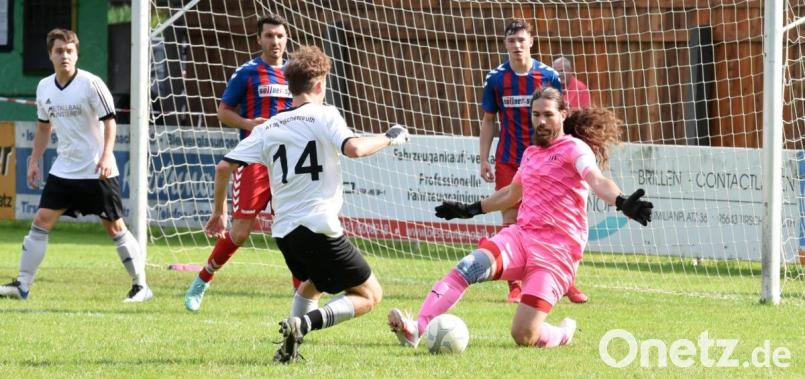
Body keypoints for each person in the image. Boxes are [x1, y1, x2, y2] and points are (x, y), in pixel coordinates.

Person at [388, 87, 652, 349]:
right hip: (521, 237)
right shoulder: (530, 153)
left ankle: (562, 333)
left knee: (523, 335)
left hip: (556, 252)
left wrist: (620, 201)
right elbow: (513, 193)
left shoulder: (575, 149)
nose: (541, 121)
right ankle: (416, 329)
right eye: (536, 115)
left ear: (563, 114)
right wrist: (471, 209)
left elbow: (596, 180)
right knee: (468, 267)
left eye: (548, 114)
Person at [204, 45, 409, 363]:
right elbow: (354, 149)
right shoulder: (324, 114)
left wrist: (219, 213)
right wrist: (389, 137)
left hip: (285, 234)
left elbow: (223, 168)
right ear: (319, 85)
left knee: (312, 287)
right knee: (369, 295)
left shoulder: (268, 126)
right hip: (318, 226)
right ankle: (303, 325)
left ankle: (288, 348)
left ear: (291, 86)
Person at [0, 29, 151, 302]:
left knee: (114, 227)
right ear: (50, 55)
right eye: (59, 51)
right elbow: (44, 128)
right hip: (64, 169)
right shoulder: (44, 87)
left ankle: (141, 286)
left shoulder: (91, 84)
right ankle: (21, 285)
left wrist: (106, 156)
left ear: (77, 54)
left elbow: (110, 121)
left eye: (69, 51)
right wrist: (34, 161)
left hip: (96, 169)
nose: (65, 56)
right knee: (41, 221)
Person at [184, 13, 301, 312]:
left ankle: (301, 301)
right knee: (240, 233)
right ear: (259, 39)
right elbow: (223, 112)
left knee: (294, 230)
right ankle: (203, 279)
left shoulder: (296, 73)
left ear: (287, 38)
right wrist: (250, 122)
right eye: (269, 36)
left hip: (290, 162)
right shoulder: (247, 73)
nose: (275, 41)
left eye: (279, 36)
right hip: (256, 160)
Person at [479, 19, 588, 304]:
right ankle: (515, 285)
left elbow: (561, 115)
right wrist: (484, 159)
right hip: (509, 160)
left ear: (531, 42)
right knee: (511, 220)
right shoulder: (495, 79)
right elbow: (489, 120)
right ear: (505, 44)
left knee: (557, 221)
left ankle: (566, 281)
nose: (517, 45)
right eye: (512, 40)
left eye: (521, 40)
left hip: (547, 160)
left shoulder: (548, 76)